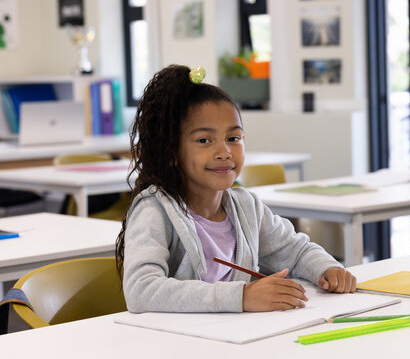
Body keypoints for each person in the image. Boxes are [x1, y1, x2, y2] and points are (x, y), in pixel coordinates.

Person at [115, 64, 356, 313]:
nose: (224, 152)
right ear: (172, 152)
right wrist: (241, 296)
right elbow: (140, 291)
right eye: (204, 140)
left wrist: (327, 268)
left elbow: (295, 251)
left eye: (234, 138)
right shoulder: (155, 210)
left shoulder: (245, 206)